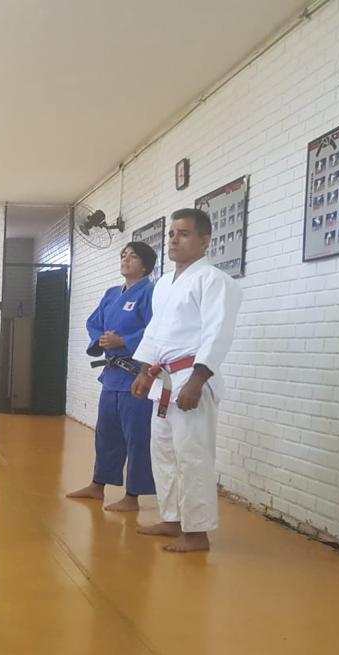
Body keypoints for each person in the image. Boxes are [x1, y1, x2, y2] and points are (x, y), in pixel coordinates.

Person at [132, 209, 243, 553]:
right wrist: (143, 370)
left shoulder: (214, 280)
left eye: (183, 234)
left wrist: (198, 379)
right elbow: (155, 331)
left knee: (193, 456)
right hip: (164, 379)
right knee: (164, 452)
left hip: (192, 378)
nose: (174, 240)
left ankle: (197, 533)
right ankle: (172, 519)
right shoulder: (165, 284)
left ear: (204, 241)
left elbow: (217, 333)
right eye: (171, 234)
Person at [67, 242, 156, 512]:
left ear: (146, 265)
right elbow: (94, 322)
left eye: (133, 256)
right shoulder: (111, 294)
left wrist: (124, 341)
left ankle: (133, 495)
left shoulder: (151, 293)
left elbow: (155, 328)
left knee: (137, 436)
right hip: (112, 376)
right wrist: (101, 340)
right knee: (106, 433)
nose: (125, 260)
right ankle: (98, 485)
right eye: (123, 255)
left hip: (137, 374)